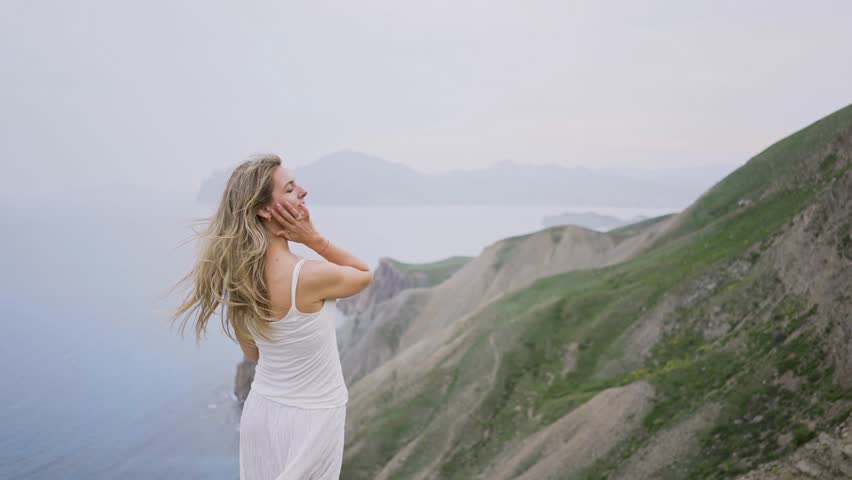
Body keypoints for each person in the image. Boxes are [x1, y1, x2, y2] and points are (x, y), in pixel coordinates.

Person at [169, 153, 373, 479]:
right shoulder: (307, 277)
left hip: (262, 412)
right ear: (265, 209)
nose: (303, 191)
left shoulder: (239, 279)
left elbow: (252, 353)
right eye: (291, 189)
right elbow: (363, 274)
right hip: (313, 419)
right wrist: (313, 239)